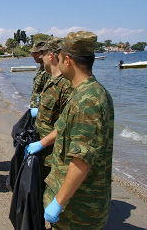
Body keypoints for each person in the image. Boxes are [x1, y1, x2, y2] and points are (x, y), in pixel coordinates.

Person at [26, 31, 114, 229]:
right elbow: (63, 127)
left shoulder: (88, 101)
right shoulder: (86, 92)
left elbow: (81, 161)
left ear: (67, 60)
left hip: (79, 209)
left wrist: (58, 202)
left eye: (58, 57)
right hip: (75, 203)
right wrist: (41, 143)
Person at [30, 37, 73, 228]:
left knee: (52, 199)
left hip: (54, 155)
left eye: (43, 54)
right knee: (40, 195)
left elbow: (65, 126)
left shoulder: (66, 86)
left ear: (51, 56)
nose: (40, 58)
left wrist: (43, 143)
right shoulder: (50, 79)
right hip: (44, 152)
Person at [30, 41, 51, 108]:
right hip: (35, 108)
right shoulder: (39, 69)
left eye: (36, 53)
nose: (33, 55)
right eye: (33, 53)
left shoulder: (49, 71)